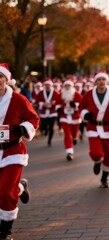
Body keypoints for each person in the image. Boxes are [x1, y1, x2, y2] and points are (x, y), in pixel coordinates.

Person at [0, 63, 40, 239]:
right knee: (6, 190)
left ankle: (5, 230)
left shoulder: (18, 99)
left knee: (4, 192)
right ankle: (21, 187)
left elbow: (33, 118)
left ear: (7, 80)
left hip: (12, 152)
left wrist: (23, 128)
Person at [78, 71, 109, 188]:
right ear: (95, 82)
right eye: (99, 80)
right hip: (94, 127)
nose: (101, 82)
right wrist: (85, 114)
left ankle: (104, 178)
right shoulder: (89, 94)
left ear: (107, 81)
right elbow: (81, 107)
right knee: (96, 153)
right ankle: (98, 162)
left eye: (103, 80)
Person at [56, 79, 83, 161]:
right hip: (64, 117)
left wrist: (75, 105)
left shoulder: (77, 94)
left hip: (75, 117)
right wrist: (59, 108)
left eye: (69, 86)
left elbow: (82, 104)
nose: (67, 87)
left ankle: (75, 138)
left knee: (74, 133)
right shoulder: (61, 94)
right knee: (67, 134)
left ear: (72, 86)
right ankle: (69, 152)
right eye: (66, 86)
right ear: (64, 87)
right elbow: (57, 103)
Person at [35, 79, 61, 146]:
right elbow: (37, 102)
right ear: (44, 85)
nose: (47, 86)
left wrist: (54, 103)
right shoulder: (40, 93)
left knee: (51, 127)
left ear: (51, 85)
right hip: (43, 112)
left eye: (48, 85)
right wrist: (42, 104)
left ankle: (49, 140)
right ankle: (45, 130)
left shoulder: (56, 93)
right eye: (46, 85)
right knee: (43, 126)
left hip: (52, 112)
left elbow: (60, 102)